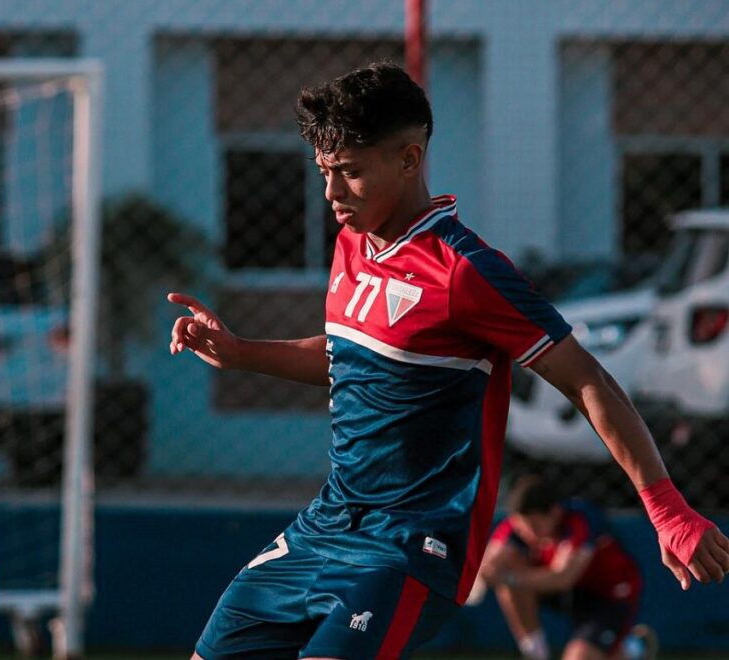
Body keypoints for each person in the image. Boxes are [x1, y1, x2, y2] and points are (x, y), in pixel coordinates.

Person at [167, 61, 729, 660]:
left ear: (409, 160)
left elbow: (587, 379)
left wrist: (665, 507)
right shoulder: (352, 244)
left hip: (410, 547)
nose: (331, 194)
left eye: (351, 173)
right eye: (325, 172)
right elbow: (349, 360)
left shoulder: (466, 272)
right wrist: (241, 352)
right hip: (326, 525)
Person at [474, 474, 657, 660]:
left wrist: (507, 577)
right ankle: (536, 654)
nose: (527, 534)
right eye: (521, 528)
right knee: (510, 574)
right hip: (569, 592)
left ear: (554, 512)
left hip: (607, 597)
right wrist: (489, 571)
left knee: (580, 657)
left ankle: (634, 648)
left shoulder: (581, 520)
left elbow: (563, 577)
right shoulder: (518, 527)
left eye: (534, 526)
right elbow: (490, 561)